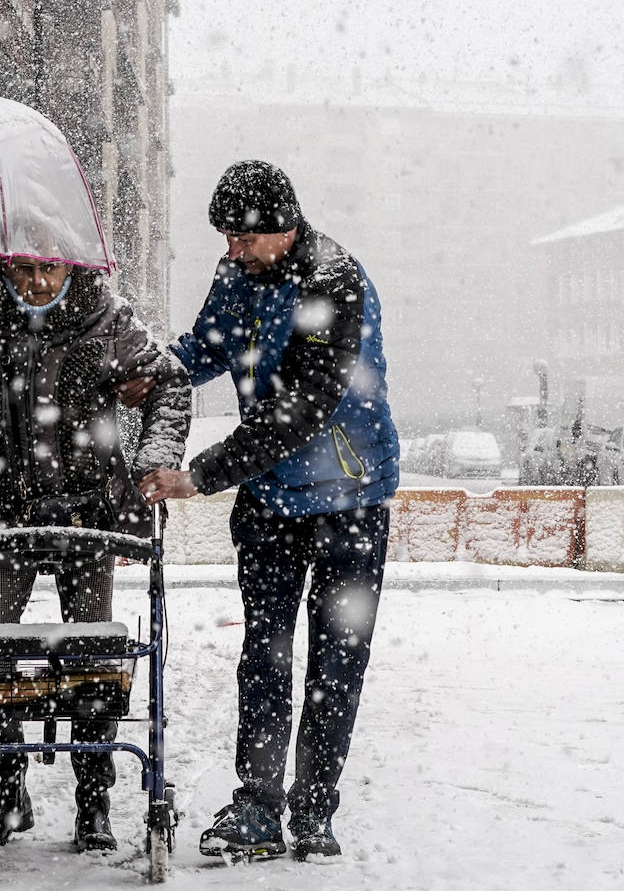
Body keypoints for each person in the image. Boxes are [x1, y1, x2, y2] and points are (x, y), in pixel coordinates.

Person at [135, 160, 399, 861]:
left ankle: (314, 813)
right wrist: (153, 370)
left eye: (243, 239)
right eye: (224, 238)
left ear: (282, 227)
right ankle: (257, 807)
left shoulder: (332, 281)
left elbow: (303, 407)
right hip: (272, 499)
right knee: (265, 654)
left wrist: (202, 475)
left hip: (350, 497)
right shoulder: (238, 276)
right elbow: (209, 346)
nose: (231, 250)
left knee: (336, 662)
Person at [0, 239, 191, 853]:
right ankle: (7, 793)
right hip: (0, 511)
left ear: (71, 265)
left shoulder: (108, 319)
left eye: (48, 267)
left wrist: (154, 461)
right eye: (24, 267)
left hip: (88, 512)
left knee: (95, 653)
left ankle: (94, 802)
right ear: (5, 264)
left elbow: (171, 384)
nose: (36, 281)